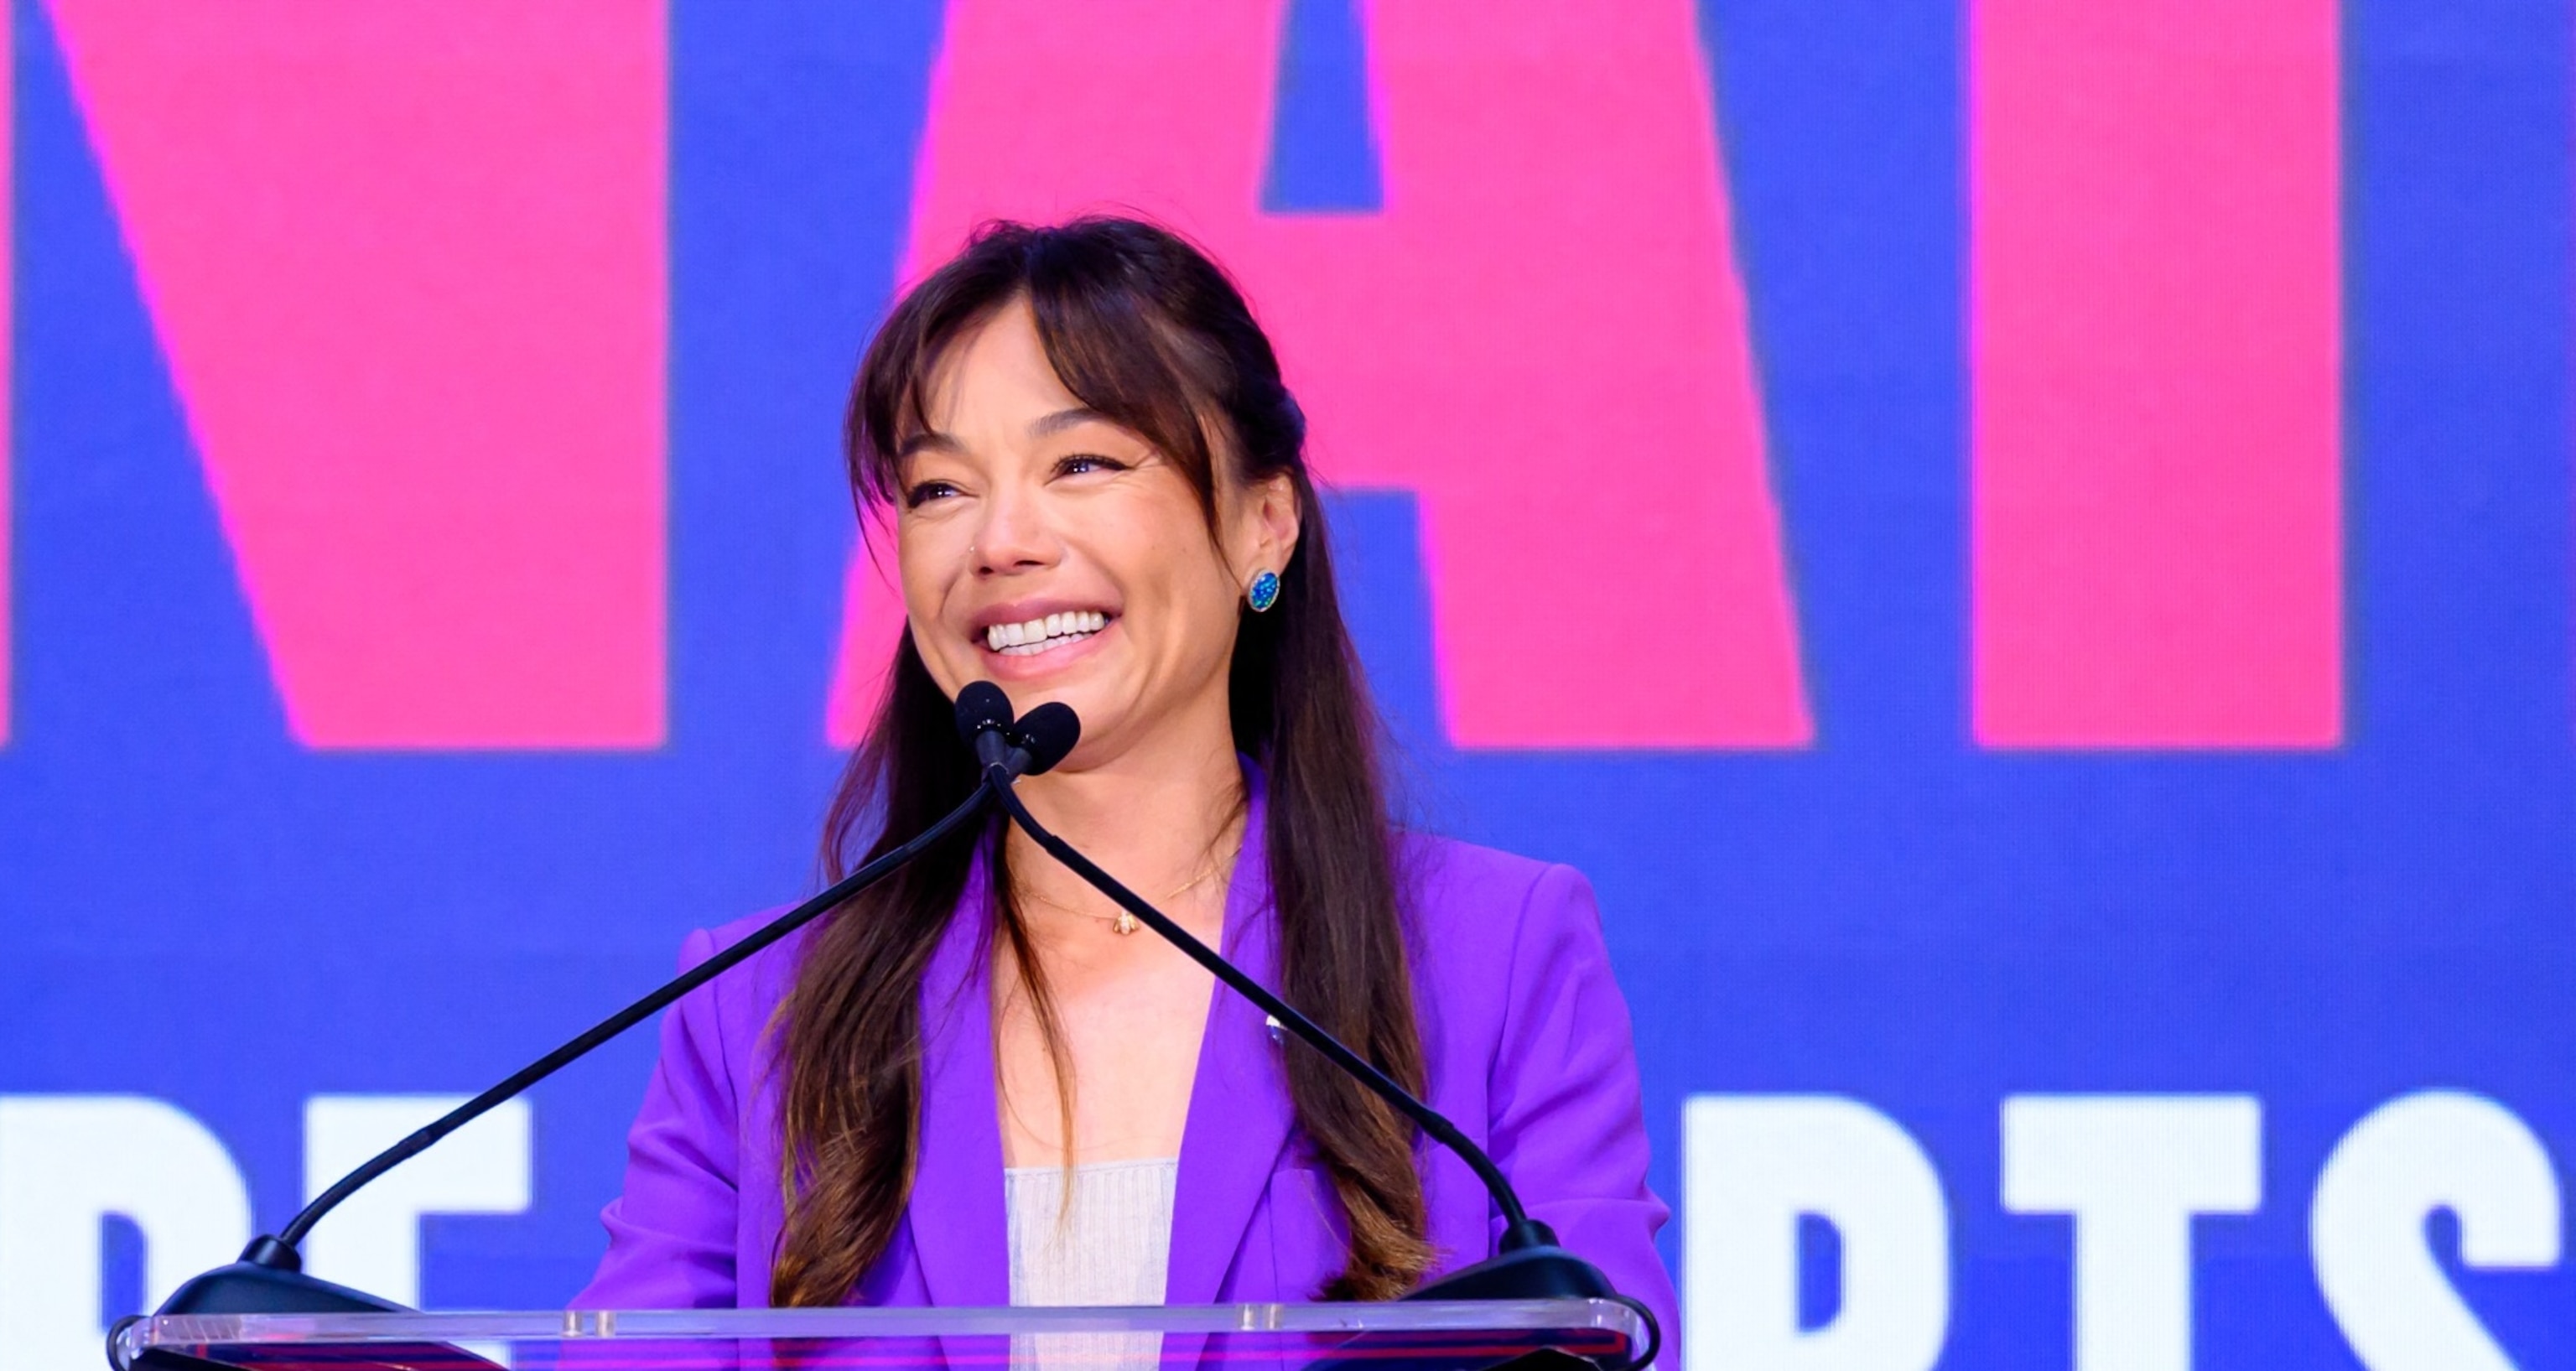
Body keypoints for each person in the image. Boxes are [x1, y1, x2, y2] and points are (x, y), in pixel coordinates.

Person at [574, 216, 1677, 1348]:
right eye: (941, 489)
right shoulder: (760, 1010)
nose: (1001, 540)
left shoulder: (1494, 953)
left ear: (1264, 525)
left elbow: (1606, 1343)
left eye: (1083, 463)